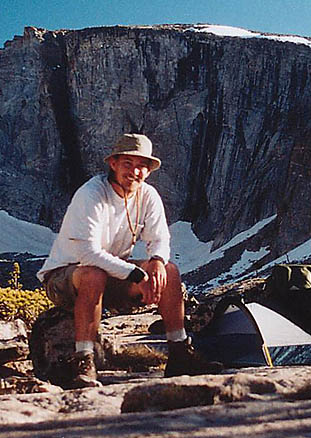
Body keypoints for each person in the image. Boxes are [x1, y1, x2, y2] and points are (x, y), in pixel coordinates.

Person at [37, 133, 222, 387]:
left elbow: (160, 238)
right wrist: (135, 275)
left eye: (142, 166)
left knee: (169, 271)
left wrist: (156, 262)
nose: (135, 172)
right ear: (113, 163)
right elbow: (87, 254)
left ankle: (179, 353)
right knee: (93, 273)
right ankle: (84, 360)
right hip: (65, 275)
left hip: (112, 273)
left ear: (149, 170)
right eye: (128, 164)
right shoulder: (91, 194)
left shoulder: (148, 195)